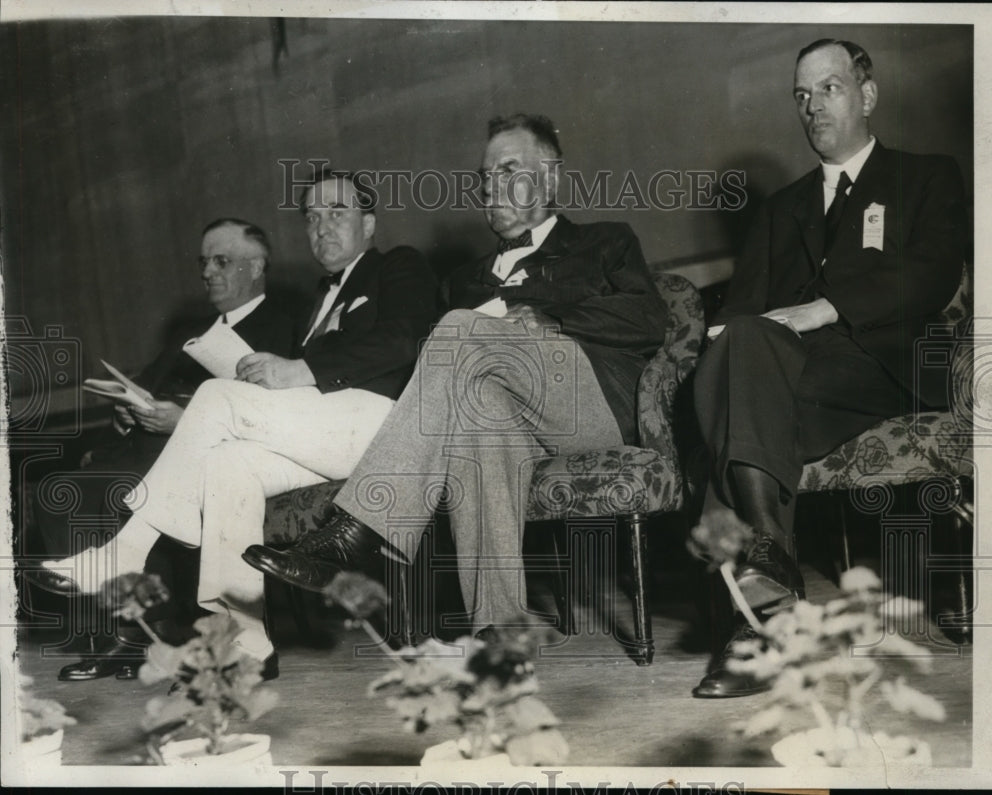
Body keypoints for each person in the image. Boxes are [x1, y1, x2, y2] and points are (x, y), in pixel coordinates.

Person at [242, 114, 670, 637]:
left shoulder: (604, 242)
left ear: (552, 177)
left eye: (508, 168)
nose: (492, 186)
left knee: (458, 332)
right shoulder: (461, 282)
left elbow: (648, 318)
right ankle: (500, 631)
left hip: (587, 404)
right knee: (476, 425)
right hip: (512, 420)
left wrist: (553, 321)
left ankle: (358, 531)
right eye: (485, 177)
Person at [27, 170, 439, 676]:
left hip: (383, 427)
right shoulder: (319, 296)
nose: (322, 227)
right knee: (226, 464)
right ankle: (246, 640)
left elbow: (405, 340)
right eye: (311, 216)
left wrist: (299, 369)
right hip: (327, 431)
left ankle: (125, 551)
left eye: (338, 212)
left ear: (370, 223)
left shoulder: (399, 266)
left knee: (218, 396)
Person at [690, 39, 967, 698]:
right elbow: (745, 311)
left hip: (880, 368)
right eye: (801, 95)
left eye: (830, 89)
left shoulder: (926, 176)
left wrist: (822, 310)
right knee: (741, 361)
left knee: (740, 405)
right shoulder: (779, 210)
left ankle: (757, 621)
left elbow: (929, 279)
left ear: (867, 95)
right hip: (784, 377)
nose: (812, 106)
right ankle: (774, 599)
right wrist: (737, 331)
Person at [32, 217, 297, 681]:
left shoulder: (284, 326)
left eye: (222, 261)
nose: (208, 272)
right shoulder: (190, 332)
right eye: (204, 262)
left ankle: (143, 633)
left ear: (256, 267)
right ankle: (112, 630)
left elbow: (272, 410)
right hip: (145, 444)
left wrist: (180, 418)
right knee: (59, 488)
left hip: (211, 451)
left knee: (121, 490)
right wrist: (127, 412)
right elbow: (148, 390)